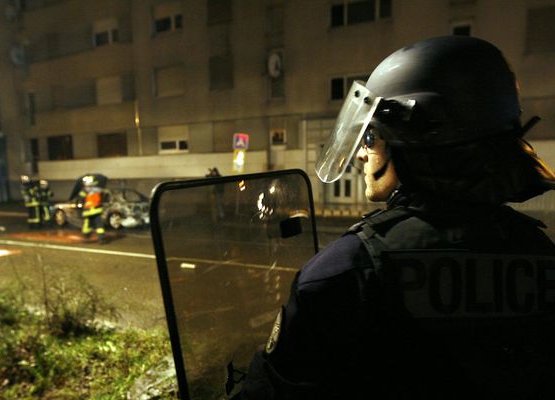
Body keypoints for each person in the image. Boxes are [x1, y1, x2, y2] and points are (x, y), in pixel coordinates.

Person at [237, 36, 555, 399]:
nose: (361, 155)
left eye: (370, 136)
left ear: (414, 142)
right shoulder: (540, 254)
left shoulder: (346, 271)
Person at [78, 175, 106, 244]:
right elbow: (103, 198)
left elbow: (80, 200)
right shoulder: (98, 190)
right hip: (97, 211)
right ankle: (101, 239)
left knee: (87, 225)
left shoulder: (84, 191)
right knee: (99, 225)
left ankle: (86, 237)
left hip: (88, 211)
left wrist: (80, 206)